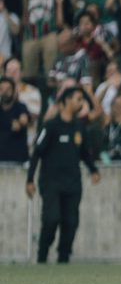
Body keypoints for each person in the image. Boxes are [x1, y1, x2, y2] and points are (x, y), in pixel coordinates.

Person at [26, 87, 101, 264]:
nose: (81, 102)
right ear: (66, 101)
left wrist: (93, 170)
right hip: (51, 183)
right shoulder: (51, 126)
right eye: (77, 98)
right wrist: (29, 179)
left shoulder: (79, 127)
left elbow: (84, 153)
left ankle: (63, 258)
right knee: (51, 219)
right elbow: (37, 152)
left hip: (73, 183)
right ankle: (42, 255)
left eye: (82, 99)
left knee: (71, 222)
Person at [0, 78, 30, 163]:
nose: (4, 92)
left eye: (8, 89)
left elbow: (24, 119)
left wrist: (20, 123)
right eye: (1, 89)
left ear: (14, 91)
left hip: (17, 160)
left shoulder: (20, 107)